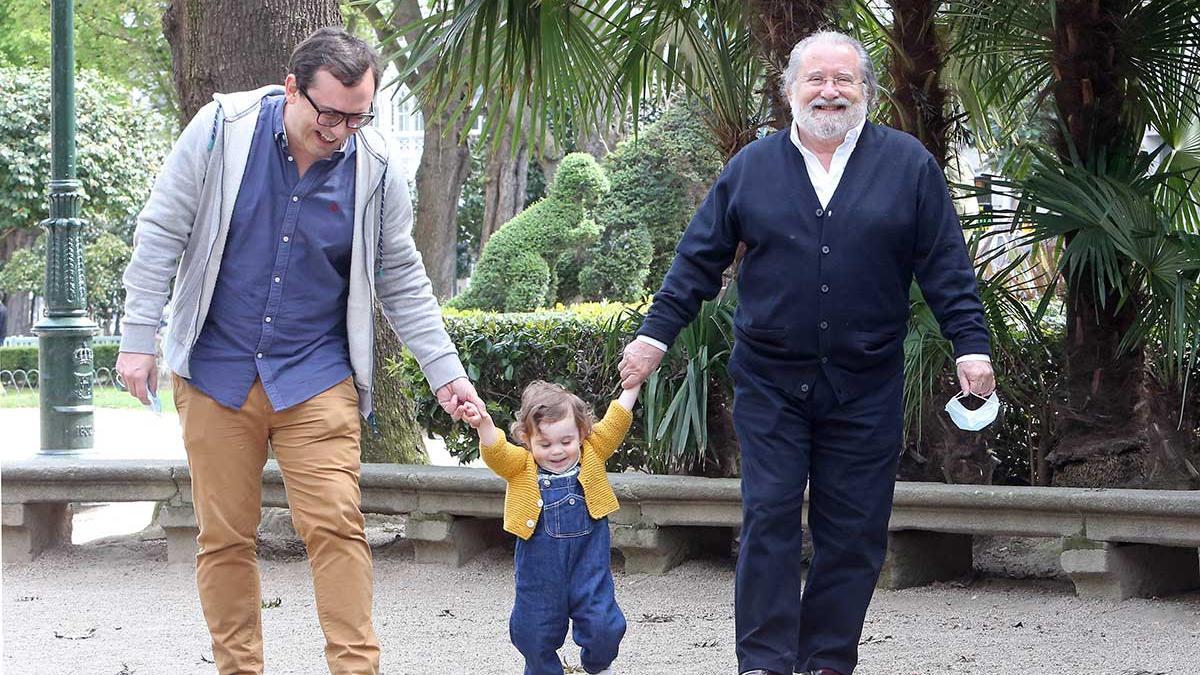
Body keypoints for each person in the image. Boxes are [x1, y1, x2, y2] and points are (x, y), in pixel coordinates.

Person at [617, 30, 997, 675]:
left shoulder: (908, 165)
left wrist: (971, 345)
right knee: (767, 517)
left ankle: (825, 661)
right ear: (790, 91)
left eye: (844, 80)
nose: (830, 91)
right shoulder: (752, 168)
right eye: (815, 80)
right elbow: (697, 261)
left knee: (853, 532)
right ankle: (764, 662)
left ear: (866, 93)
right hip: (770, 380)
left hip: (866, 382)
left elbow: (946, 267)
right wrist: (655, 337)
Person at [115, 27, 483, 675]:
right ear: (292, 87)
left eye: (358, 115)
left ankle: (356, 668)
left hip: (316, 377)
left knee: (338, 526)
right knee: (225, 539)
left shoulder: (374, 166)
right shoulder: (219, 130)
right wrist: (138, 338)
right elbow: (160, 231)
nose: (341, 128)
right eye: (330, 113)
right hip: (217, 370)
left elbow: (400, 276)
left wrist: (444, 371)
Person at [458, 380, 641, 675]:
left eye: (566, 441)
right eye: (544, 444)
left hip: (588, 560)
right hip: (539, 564)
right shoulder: (521, 465)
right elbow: (496, 452)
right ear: (527, 440)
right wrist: (484, 424)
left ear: (582, 433)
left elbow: (616, 422)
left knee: (603, 625)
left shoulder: (593, 450)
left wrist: (633, 386)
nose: (557, 451)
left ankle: (598, 665)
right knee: (533, 628)